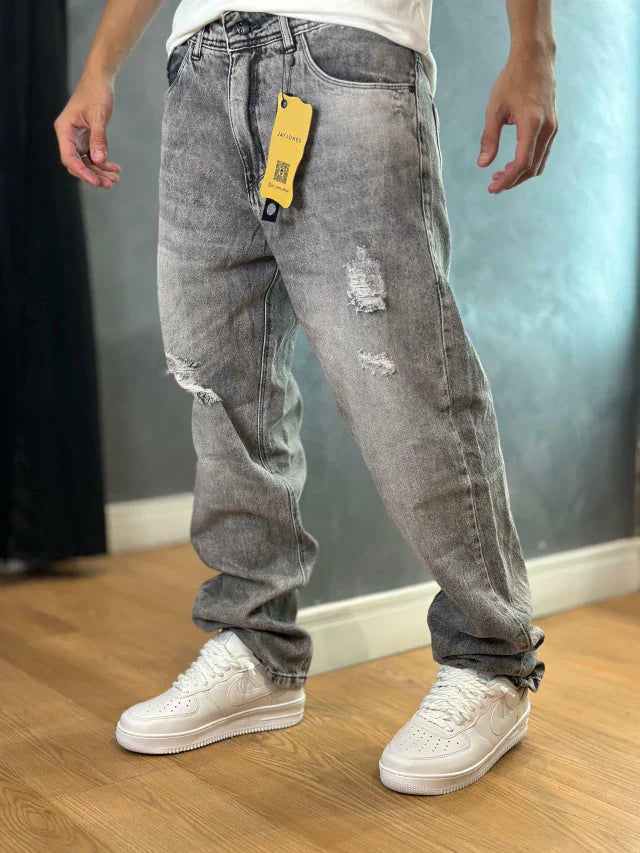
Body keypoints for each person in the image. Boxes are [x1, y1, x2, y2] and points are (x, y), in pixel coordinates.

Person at [55, 0, 557, 795]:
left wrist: (534, 46)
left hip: (345, 50)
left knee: (405, 383)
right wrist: (99, 67)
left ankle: (491, 658)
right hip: (201, 68)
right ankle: (254, 646)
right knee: (221, 383)